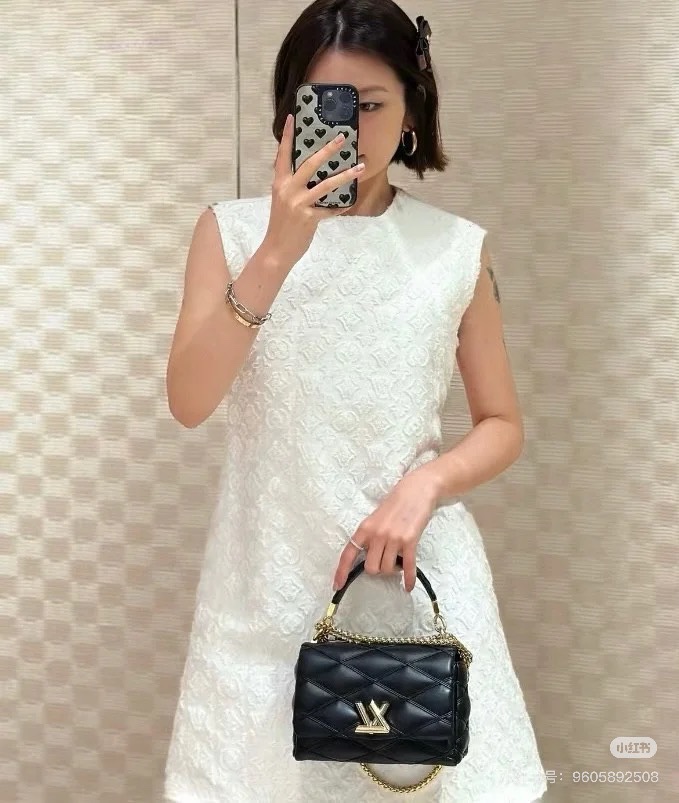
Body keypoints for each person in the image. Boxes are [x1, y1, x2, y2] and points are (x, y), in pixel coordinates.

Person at [163, 0, 548, 800]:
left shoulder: (455, 248)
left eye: (370, 104)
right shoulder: (231, 234)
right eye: (326, 102)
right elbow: (190, 400)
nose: (351, 126)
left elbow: (501, 423)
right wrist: (278, 251)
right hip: (263, 583)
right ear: (290, 111)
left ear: (412, 110)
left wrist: (424, 486)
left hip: (411, 579)